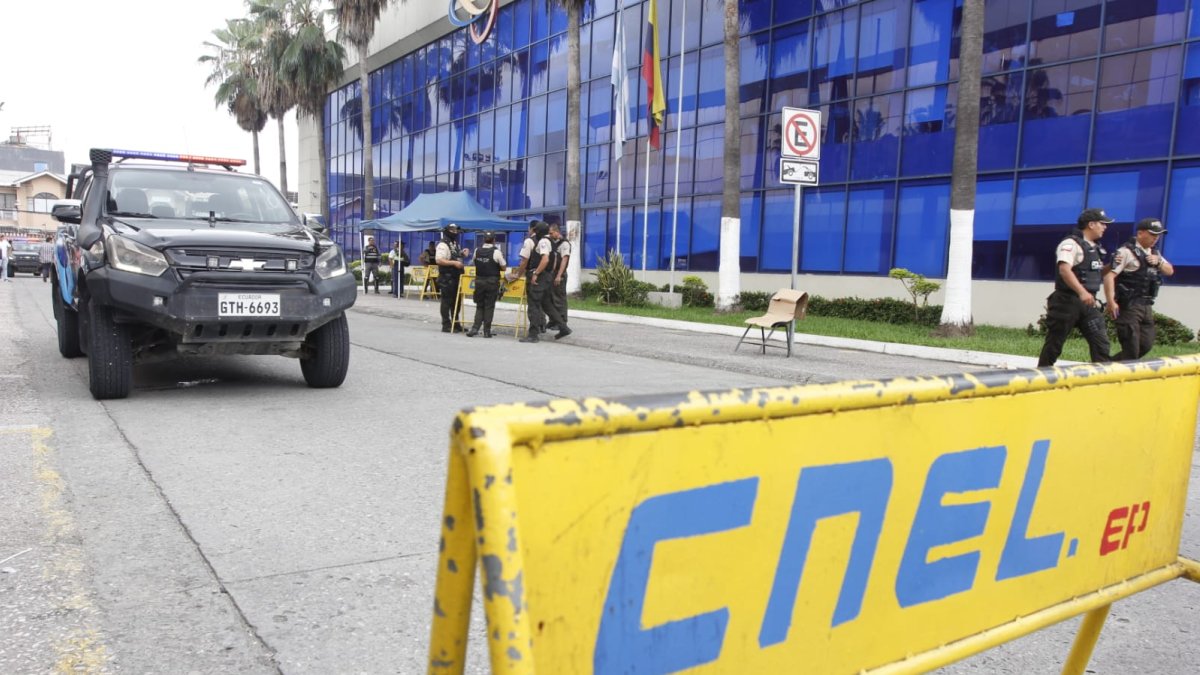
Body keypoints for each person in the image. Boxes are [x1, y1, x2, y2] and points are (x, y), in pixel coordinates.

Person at [1037, 208, 1116, 368]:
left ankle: (1102, 381)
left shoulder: (1095, 247)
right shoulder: (1070, 244)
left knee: (1101, 343)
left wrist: (1112, 265)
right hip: (1067, 302)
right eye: (1102, 223)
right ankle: (1042, 375)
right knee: (1055, 343)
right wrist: (1081, 292)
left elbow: (1097, 274)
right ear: (1091, 224)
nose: (1105, 227)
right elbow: (1064, 269)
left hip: (1088, 304)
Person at [1105, 218, 1175, 361]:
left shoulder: (1155, 253)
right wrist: (1111, 301)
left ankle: (1109, 366)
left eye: (1158, 235)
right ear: (1141, 233)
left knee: (1146, 344)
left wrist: (1159, 262)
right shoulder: (1126, 252)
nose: (1156, 238)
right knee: (1131, 348)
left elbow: (1170, 271)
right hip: (1128, 305)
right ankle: (1115, 374)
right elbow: (1109, 276)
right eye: (1153, 234)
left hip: (1146, 306)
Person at [517, 221, 570, 343]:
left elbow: (545, 260)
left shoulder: (543, 242)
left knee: (534, 305)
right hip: (547, 277)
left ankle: (533, 335)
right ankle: (563, 327)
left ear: (537, 232)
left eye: (535, 231)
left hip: (539, 277)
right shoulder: (552, 242)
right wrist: (550, 274)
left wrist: (536, 273)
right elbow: (555, 260)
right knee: (547, 305)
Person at [466, 232, 506, 338]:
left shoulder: (476, 251)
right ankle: (487, 331)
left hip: (479, 282)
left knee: (480, 306)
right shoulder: (496, 252)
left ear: (483, 239)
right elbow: (504, 267)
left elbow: (475, 262)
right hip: (491, 282)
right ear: (494, 240)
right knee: (489, 306)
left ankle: (475, 328)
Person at [435, 223, 470, 332]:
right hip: (447, 277)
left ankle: (455, 323)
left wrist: (462, 254)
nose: (455, 232)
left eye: (456, 230)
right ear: (447, 231)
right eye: (452, 230)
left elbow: (453, 255)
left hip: (456, 276)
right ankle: (446, 325)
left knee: (457, 301)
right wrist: (454, 263)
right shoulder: (443, 244)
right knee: (447, 301)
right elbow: (439, 260)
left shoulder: (454, 243)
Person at [546, 222, 570, 330]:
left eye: (551, 233)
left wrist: (559, 276)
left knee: (559, 299)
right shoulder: (554, 242)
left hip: (559, 274)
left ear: (557, 232)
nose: (550, 235)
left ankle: (562, 322)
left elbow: (564, 260)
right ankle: (553, 320)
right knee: (551, 298)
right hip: (552, 273)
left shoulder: (564, 244)